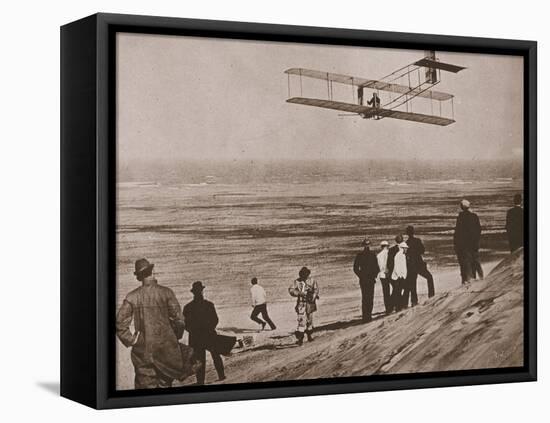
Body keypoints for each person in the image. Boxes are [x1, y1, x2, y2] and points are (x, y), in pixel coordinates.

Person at [116, 258, 186, 389]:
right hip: (166, 351)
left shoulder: (132, 296)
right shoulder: (167, 292)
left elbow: (119, 323)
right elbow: (180, 321)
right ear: (152, 271)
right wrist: (174, 337)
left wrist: (131, 340)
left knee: (144, 394)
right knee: (165, 391)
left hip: (143, 352)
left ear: (138, 277)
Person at [183, 281, 226, 385]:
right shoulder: (209, 305)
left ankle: (200, 381)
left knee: (199, 359)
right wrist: (209, 329)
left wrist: (193, 332)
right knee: (216, 355)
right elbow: (215, 320)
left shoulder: (188, 307)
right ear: (202, 291)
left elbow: (185, 324)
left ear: (193, 292)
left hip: (196, 337)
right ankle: (221, 376)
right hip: (209, 334)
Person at [453, 199, 482, 284]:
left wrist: (456, 244)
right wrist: (476, 241)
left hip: (464, 245)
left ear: (462, 207)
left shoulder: (461, 217)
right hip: (473, 244)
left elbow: (458, 232)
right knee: (475, 263)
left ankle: (466, 281)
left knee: (465, 264)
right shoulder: (474, 216)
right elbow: (479, 230)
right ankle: (478, 278)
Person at [405, 225, 435, 306]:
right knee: (429, 277)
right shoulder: (417, 241)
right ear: (413, 232)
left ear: (407, 233)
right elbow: (422, 250)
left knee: (413, 283)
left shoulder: (406, 243)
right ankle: (431, 295)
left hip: (411, 265)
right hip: (419, 263)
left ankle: (414, 301)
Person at [289, 267, 319, 345]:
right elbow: (291, 290)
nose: (305, 277)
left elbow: (316, 290)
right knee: (301, 320)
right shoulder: (297, 282)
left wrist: (313, 296)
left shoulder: (312, 281)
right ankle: (300, 339)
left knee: (309, 320)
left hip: (310, 303)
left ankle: (309, 336)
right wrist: (299, 293)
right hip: (301, 303)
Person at [353, 238, 380, 322]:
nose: (367, 246)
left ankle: (366, 317)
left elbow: (355, 268)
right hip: (370, 279)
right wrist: (374, 275)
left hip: (364, 279)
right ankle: (368, 316)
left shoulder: (360, 255)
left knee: (365, 298)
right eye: (367, 245)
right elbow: (377, 268)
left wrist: (361, 275)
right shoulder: (372, 255)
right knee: (369, 298)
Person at [386, 234, 404, 312]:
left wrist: (389, 272)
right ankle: (394, 306)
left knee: (397, 289)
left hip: (394, 272)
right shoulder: (404, 249)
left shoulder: (391, 250)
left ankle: (396, 306)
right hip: (400, 272)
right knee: (397, 289)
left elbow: (389, 262)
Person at [391, 242, 410, 311]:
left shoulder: (402, 255)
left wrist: (404, 276)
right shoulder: (398, 255)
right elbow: (397, 267)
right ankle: (397, 307)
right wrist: (400, 276)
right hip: (397, 277)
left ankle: (398, 306)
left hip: (401, 277)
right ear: (402, 248)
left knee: (399, 291)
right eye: (405, 248)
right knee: (398, 291)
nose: (406, 249)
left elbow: (403, 267)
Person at [377, 240, 392, 314]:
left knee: (386, 292)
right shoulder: (389, 253)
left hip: (382, 275)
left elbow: (379, 267)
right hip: (390, 274)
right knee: (396, 289)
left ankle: (388, 309)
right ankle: (394, 305)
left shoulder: (378, 255)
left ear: (381, 247)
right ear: (387, 246)